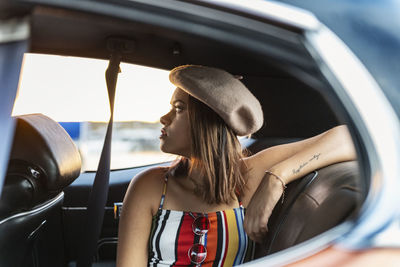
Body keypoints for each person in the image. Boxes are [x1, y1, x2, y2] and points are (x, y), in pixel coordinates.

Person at [116, 65, 356, 267]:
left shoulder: (249, 176)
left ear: (207, 123)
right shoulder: (150, 185)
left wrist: (276, 178)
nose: (164, 118)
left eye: (178, 109)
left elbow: (350, 139)